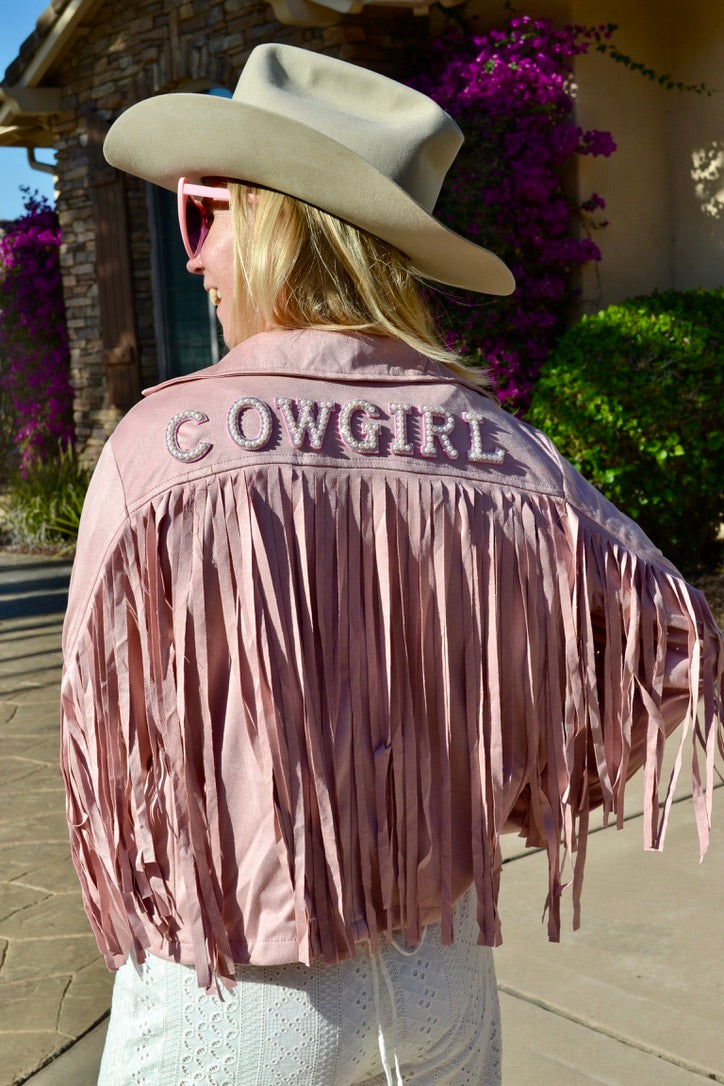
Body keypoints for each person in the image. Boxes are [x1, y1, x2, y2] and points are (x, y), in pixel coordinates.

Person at [60, 43, 722, 1086]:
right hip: (443, 973)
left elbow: (113, 736)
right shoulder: (505, 447)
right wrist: (513, 788)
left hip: (238, 982)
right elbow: (674, 638)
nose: (192, 259)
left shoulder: (160, 450)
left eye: (202, 215)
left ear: (278, 223)